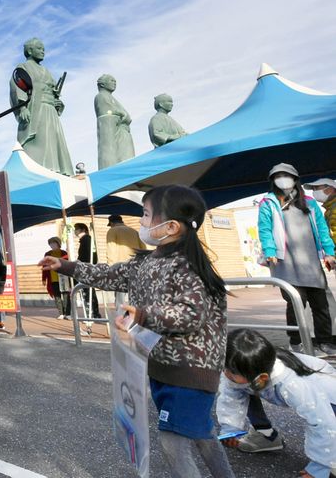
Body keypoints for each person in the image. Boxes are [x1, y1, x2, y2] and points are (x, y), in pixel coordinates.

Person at [39, 185, 235, 478]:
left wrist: (143, 314)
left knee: (172, 442)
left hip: (191, 371)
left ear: (170, 226)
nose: (141, 222)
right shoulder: (146, 261)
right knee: (201, 432)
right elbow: (106, 274)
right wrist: (65, 265)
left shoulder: (188, 267)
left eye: (145, 215)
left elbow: (190, 315)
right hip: (162, 368)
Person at [217, 328, 336, 478]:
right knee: (241, 389)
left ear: (262, 377)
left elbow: (323, 423)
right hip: (309, 396)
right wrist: (230, 429)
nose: (226, 373)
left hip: (330, 397)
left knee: (330, 434)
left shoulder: (293, 386)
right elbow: (231, 397)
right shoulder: (246, 370)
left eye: (231, 371)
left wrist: (319, 467)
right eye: (224, 367)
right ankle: (267, 436)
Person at [258, 163, 336, 355]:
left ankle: (325, 342)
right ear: (273, 181)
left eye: (286, 175)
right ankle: (297, 341)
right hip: (286, 262)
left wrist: (329, 252)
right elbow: (265, 229)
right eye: (278, 176)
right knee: (296, 304)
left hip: (310, 262)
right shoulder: (268, 203)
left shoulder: (309, 203)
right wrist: (269, 250)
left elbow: (323, 230)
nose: (282, 179)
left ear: (295, 179)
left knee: (321, 305)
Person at [9, 37, 74, 176]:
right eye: (39, 48)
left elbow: (53, 91)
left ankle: (58, 169)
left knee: (54, 139)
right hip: (36, 109)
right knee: (40, 140)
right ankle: (40, 169)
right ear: (30, 50)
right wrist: (22, 107)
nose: (43, 51)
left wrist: (56, 101)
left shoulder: (46, 71)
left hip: (50, 109)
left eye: (44, 49)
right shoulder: (23, 67)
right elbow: (17, 87)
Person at [94, 74, 135, 169]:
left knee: (126, 158)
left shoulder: (111, 98)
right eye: (111, 80)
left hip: (121, 132)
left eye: (115, 81)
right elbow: (107, 112)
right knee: (111, 156)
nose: (114, 83)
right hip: (111, 132)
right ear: (102, 84)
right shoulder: (100, 96)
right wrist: (121, 113)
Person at [74, 222, 101, 319]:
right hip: (86, 267)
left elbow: (91, 255)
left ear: (82, 230)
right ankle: (94, 313)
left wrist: (87, 265)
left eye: (76, 229)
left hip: (86, 269)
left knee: (88, 291)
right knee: (88, 291)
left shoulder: (87, 239)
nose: (75, 231)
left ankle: (92, 313)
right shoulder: (85, 240)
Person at [42, 237, 70, 318]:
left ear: (58, 243)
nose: (52, 245)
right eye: (50, 243)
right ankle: (61, 313)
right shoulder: (47, 254)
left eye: (54, 243)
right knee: (57, 296)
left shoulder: (64, 253)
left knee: (66, 295)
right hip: (53, 278)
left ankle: (67, 314)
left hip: (64, 278)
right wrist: (44, 279)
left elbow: (68, 264)